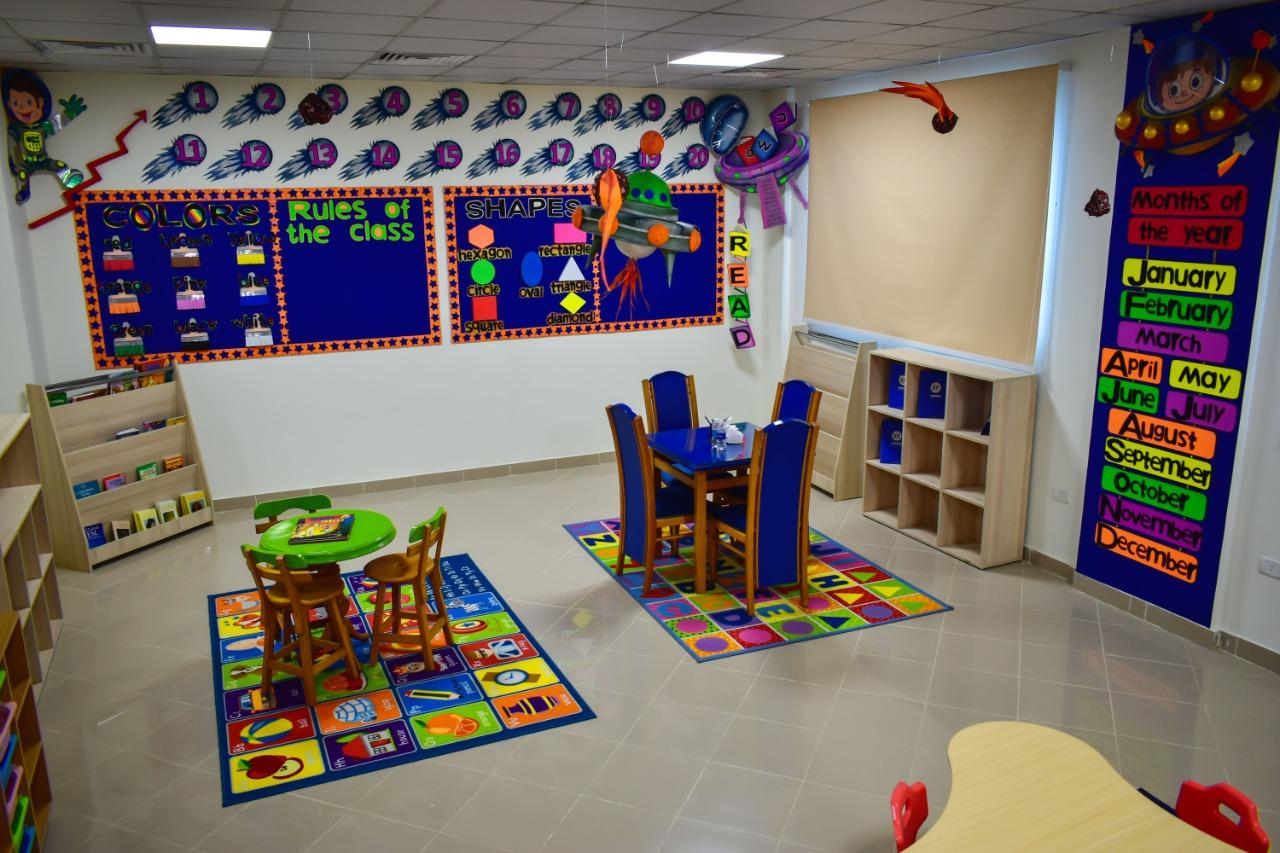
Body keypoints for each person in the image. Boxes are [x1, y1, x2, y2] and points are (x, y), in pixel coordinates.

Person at [3, 68, 87, 204]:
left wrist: (69, 113)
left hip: (44, 159)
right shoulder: (17, 129)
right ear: (9, 105)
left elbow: (58, 123)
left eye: (29, 102)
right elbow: (11, 144)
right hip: (26, 163)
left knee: (59, 164)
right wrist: (12, 162)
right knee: (22, 174)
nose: (22, 108)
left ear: (40, 103)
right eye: (15, 103)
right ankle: (24, 191)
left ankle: (67, 176)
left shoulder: (43, 127)